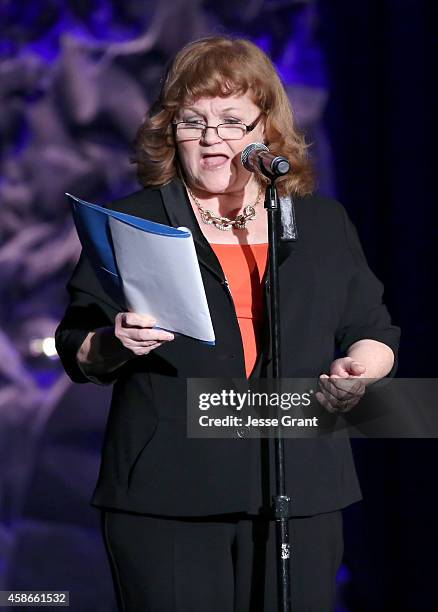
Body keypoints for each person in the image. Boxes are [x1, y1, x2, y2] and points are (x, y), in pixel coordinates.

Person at [55, 36, 400, 612]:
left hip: (300, 487)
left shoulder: (319, 223)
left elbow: (374, 329)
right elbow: (78, 346)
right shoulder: (136, 221)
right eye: (194, 120)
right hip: (168, 495)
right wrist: (114, 342)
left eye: (232, 120)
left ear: (268, 127)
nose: (213, 137)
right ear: (172, 130)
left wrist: (359, 371)